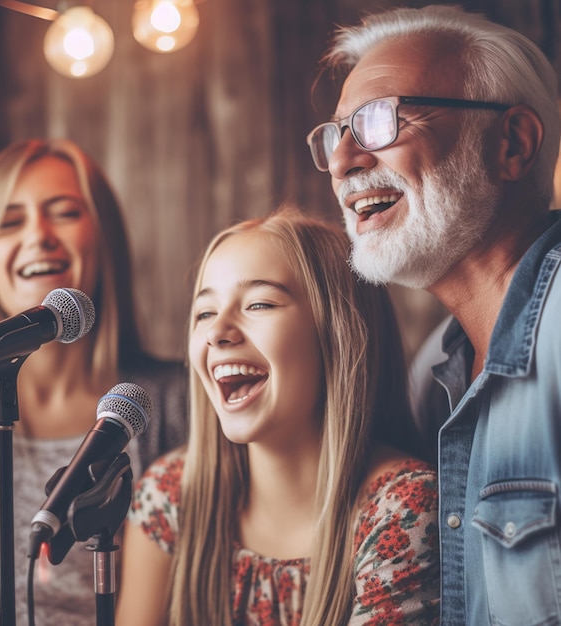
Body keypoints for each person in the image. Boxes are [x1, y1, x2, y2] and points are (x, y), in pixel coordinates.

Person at [305, 4, 561, 625]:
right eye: (339, 133)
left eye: (378, 121)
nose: (343, 162)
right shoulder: (431, 378)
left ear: (512, 144)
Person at [116, 207, 439, 625]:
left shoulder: (403, 510)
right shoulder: (170, 495)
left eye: (260, 304)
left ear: (339, 333)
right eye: (205, 313)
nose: (217, 332)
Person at [0, 138, 188, 625]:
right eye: (10, 221)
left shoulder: (174, 406)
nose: (39, 235)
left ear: (103, 238)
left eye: (65, 212)